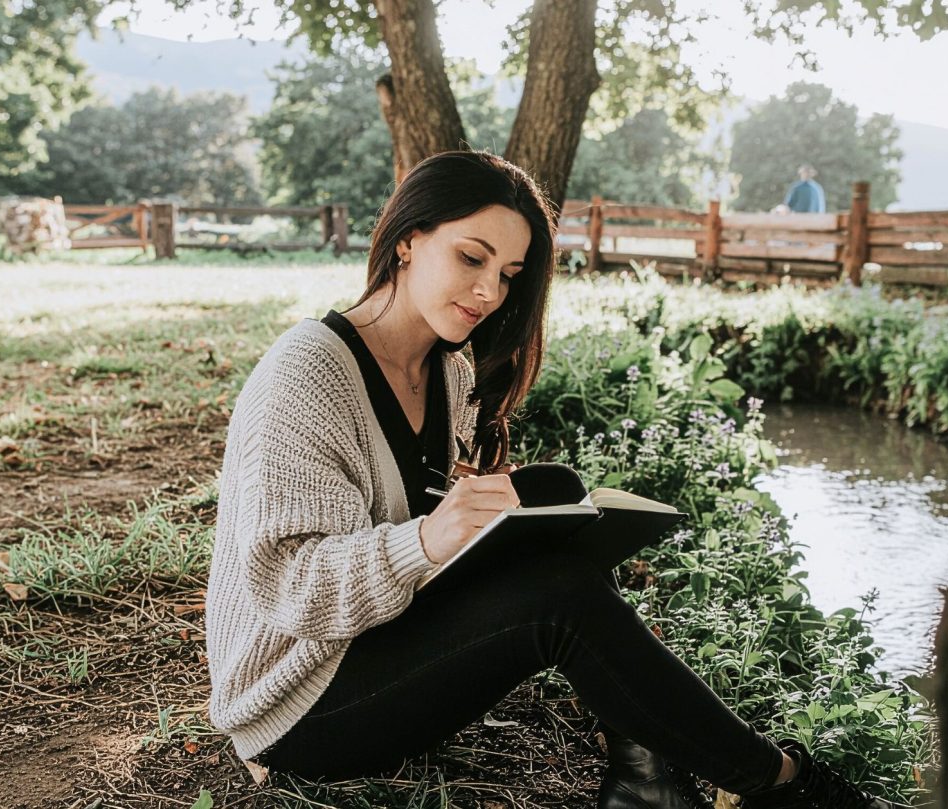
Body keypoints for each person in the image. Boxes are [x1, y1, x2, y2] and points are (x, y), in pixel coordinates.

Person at [203, 150, 903, 809]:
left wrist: (480, 522)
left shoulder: (448, 366)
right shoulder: (308, 371)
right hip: (295, 700)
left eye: (508, 273)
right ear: (409, 238)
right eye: (471, 257)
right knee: (558, 595)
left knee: (556, 498)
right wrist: (427, 538)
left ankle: (645, 775)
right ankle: (779, 781)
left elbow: (415, 522)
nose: (488, 290)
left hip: (370, 639)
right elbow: (289, 585)